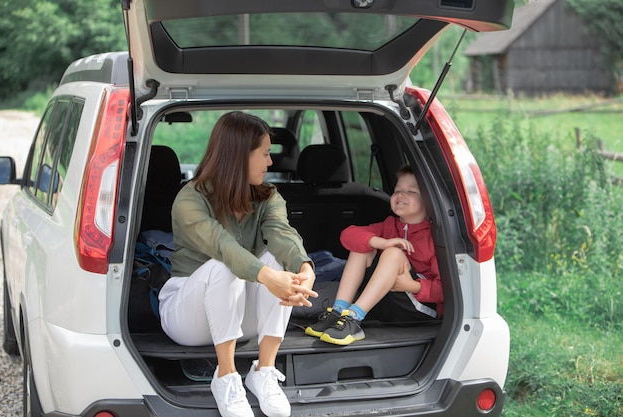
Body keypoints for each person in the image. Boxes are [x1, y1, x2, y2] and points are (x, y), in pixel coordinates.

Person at [157, 111, 317, 417]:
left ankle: (264, 371)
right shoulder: (190, 199)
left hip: (240, 316)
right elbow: (223, 246)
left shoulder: (268, 197)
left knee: (275, 258)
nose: (271, 162)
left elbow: (283, 236)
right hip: (187, 317)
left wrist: (304, 270)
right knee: (225, 264)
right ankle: (226, 377)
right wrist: (269, 277)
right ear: (238, 155)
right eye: (266, 154)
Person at [305, 165, 442, 346]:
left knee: (393, 253)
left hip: (417, 309)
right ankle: (338, 311)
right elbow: (348, 235)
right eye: (397, 190)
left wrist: (412, 285)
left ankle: (354, 319)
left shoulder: (435, 236)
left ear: (428, 200)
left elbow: (444, 289)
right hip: (383, 304)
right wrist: (381, 242)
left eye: (411, 191)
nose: (401, 195)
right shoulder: (389, 224)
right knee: (362, 245)